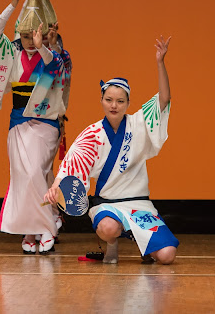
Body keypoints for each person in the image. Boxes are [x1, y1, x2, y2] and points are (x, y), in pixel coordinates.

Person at [45, 36, 177, 264]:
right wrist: (56, 187)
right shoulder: (91, 135)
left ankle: (141, 240)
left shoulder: (138, 124)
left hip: (138, 204)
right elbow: (72, 164)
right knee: (108, 227)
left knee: (167, 256)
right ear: (102, 100)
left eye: (119, 101)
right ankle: (112, 245)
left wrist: (160, 62)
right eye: (108, 99)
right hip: (108, 206)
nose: (114, 105)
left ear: (128, 103)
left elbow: (164, 100)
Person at [0, 0, 71, 254]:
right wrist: (12, 6)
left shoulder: (58, 54)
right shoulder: (13, 53)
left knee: (35, 173)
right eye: (25, 36)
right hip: (19, 121)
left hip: (46, 124)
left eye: (37, 36)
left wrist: (45, 46)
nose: (30, 42)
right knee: (24, 176)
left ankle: (45, 227)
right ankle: (32, 229)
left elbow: (54, 68)